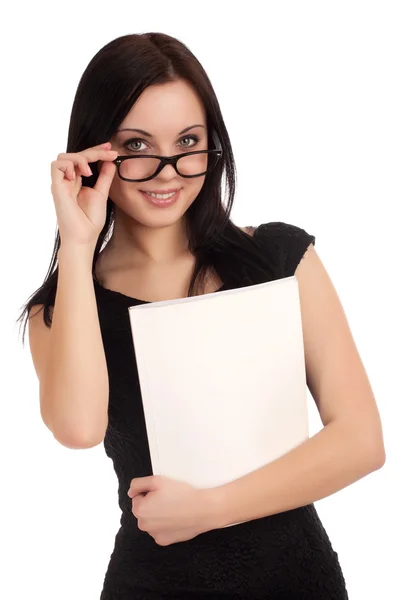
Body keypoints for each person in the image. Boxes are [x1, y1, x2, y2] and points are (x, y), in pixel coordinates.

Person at [18, 32, 385, 600]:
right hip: (155, 584)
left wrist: (211, 509)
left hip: (297, 581)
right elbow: (78, 429)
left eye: (188, 141)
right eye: (137, 146)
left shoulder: (281, 259)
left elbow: (362, 441)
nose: (168, 171)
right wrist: (76, 241)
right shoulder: (66, 306)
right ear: (96, 153)